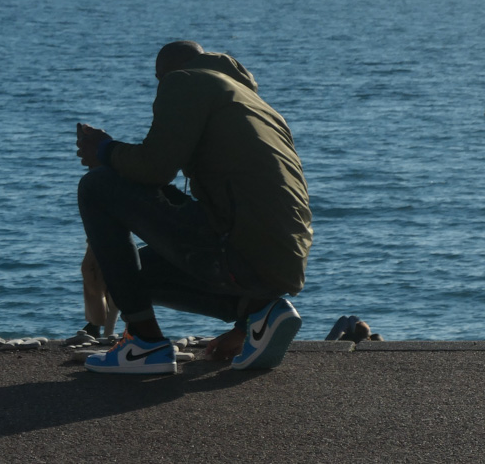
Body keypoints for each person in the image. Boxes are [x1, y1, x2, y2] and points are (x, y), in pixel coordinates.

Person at [74, 40, 312, 374]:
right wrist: (241, 329)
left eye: (159, 80)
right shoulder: (255, 103)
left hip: (238, 249)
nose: (160, 88)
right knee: (137, 272)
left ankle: (144, 344)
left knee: (97, 186)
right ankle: (258, 315)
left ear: (166, 73)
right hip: (276, 264)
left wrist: (105, 150)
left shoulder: (184, 80)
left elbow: (154, 168)